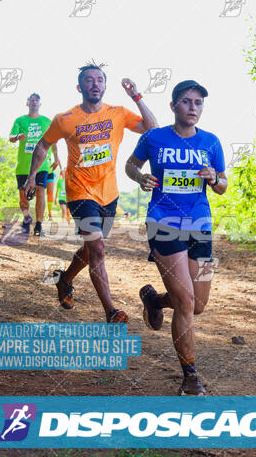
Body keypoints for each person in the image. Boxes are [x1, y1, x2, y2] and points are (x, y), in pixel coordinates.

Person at [24, 63, 158, 323]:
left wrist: (137, 96)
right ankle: (111, 311)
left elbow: (153, 128)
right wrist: (31, 177)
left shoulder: (118, 113)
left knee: (89, 250)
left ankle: (65, 279)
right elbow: (43, 144)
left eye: (99, 80)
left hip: (109, 194)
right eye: (89, 80)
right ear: (79, 87)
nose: (95, 84)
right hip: (79, 191)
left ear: (105, 86)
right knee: (97, 248)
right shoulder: (65, 119)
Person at [126, 80, 227, 395]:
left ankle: (155, 300)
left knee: (199, 305)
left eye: (198, 102)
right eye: (186, 101)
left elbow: (223, 185)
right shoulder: (153, 137)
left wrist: (214, 179)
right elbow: (131, 164)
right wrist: (140, 177)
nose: (193, 107)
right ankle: (190, 375)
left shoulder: (211, 142)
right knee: (185, 302)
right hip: (163, 224)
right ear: (173, 106)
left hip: (201, 225)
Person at [9, 93, 60, 236]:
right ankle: (26, 218)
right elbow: (11, 137)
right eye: (31, 100)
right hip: (24, 165)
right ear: (27, 103)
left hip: (42, 164)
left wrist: (56, 157)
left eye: (36, 100)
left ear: (40, 104)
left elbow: (54, 141)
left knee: (40, 191)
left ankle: (39, 225)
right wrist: (18, 137)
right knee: (23, 197)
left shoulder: (47, 121)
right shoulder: (20, 120)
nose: (34, 102)